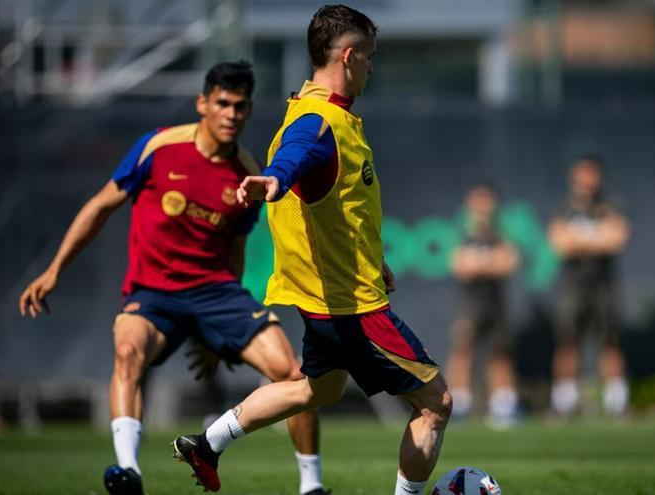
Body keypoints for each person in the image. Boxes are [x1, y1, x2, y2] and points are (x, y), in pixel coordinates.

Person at [171, 6, 452, 495]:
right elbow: (295, 156)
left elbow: (334, 205)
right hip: (353, 309)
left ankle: (208, 443)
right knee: (436, 403)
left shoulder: (314, 112)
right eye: (368, 58)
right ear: (348, 56)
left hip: (321, 303)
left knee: (317, 388)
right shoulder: (318, 122)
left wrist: (373, 258)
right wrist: (273, 179)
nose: (371, 68)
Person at [18, 60, 329, 495]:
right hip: (154, 293)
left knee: (291, 373)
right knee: (127, 350)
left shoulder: (248, 170)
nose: (231, 114)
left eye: (240, 106)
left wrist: (218, 335)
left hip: (217, 292)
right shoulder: (159, 147)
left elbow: (235, 249)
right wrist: (54, 270)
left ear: (249, 111)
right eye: (222, 103)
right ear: (203, 103)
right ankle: (127, 471)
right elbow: (100, 206)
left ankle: (311, 486)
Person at [547, 155, 631, 417]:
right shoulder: (563, 207)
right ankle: (563, 404)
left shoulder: (610, 206)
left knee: (610, 341)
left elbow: (617, 239)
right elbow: (559, 243)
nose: (587, 182)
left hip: (603, 286)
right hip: (573, 287)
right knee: (567, 341)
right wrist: (596, 238)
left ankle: (617, 403)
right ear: (574, 178)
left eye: (592, 176)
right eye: (582, 176)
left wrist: (580, 240)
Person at [445, 183, 521, 427]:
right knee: (463, 348)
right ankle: (458, 405)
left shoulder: (501, 232)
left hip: (496, 301)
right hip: (470, 302)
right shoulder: (461, 232)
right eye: (478, 200)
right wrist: (488, 263)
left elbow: (508, 263)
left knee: (499, 351)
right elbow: (460, 266)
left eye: (487, 200)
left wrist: (480, 263)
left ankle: (504, 406)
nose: (483, 206)